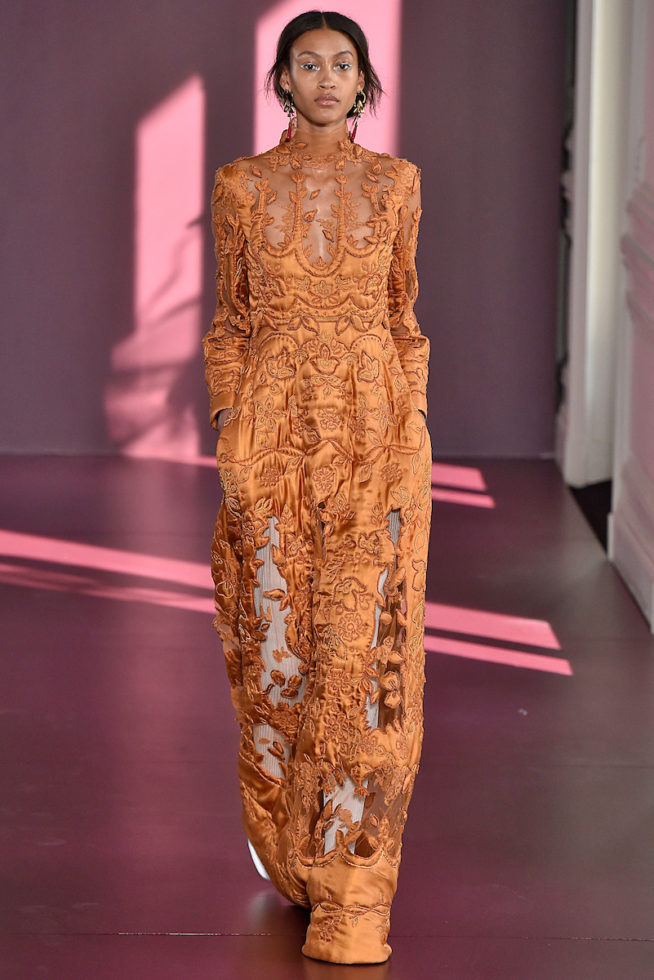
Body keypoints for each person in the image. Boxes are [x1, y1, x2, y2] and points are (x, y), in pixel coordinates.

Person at [202, 9, 432, 965]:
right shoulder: (242, 187)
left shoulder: (396, 184)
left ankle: (354, 892)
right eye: (309, 64)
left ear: (363, 81)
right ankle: (297, 850)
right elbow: (231, 322)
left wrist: (413, 421)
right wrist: (231, 417)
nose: (327, 79)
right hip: (271, 446)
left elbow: (402, 317)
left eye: (343, 64)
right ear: (284, 80)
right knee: (278, 656)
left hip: (378, 444)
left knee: (364, 660)